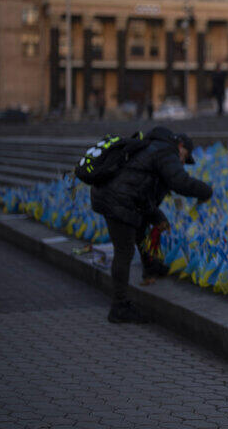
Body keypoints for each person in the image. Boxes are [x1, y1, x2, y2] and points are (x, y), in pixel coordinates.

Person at [91, 126, 213, 323]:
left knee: (142, 226)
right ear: (180, 146)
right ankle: (119, 307)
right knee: (124, 251)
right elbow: (179, 181)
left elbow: (142, 192)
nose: (183, 161)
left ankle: (150, 265)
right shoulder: (166, 151)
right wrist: (205, 191)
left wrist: (157, 216)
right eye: (185, 156)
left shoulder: (153, 147)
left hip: (117, 197)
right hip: (117, 200)